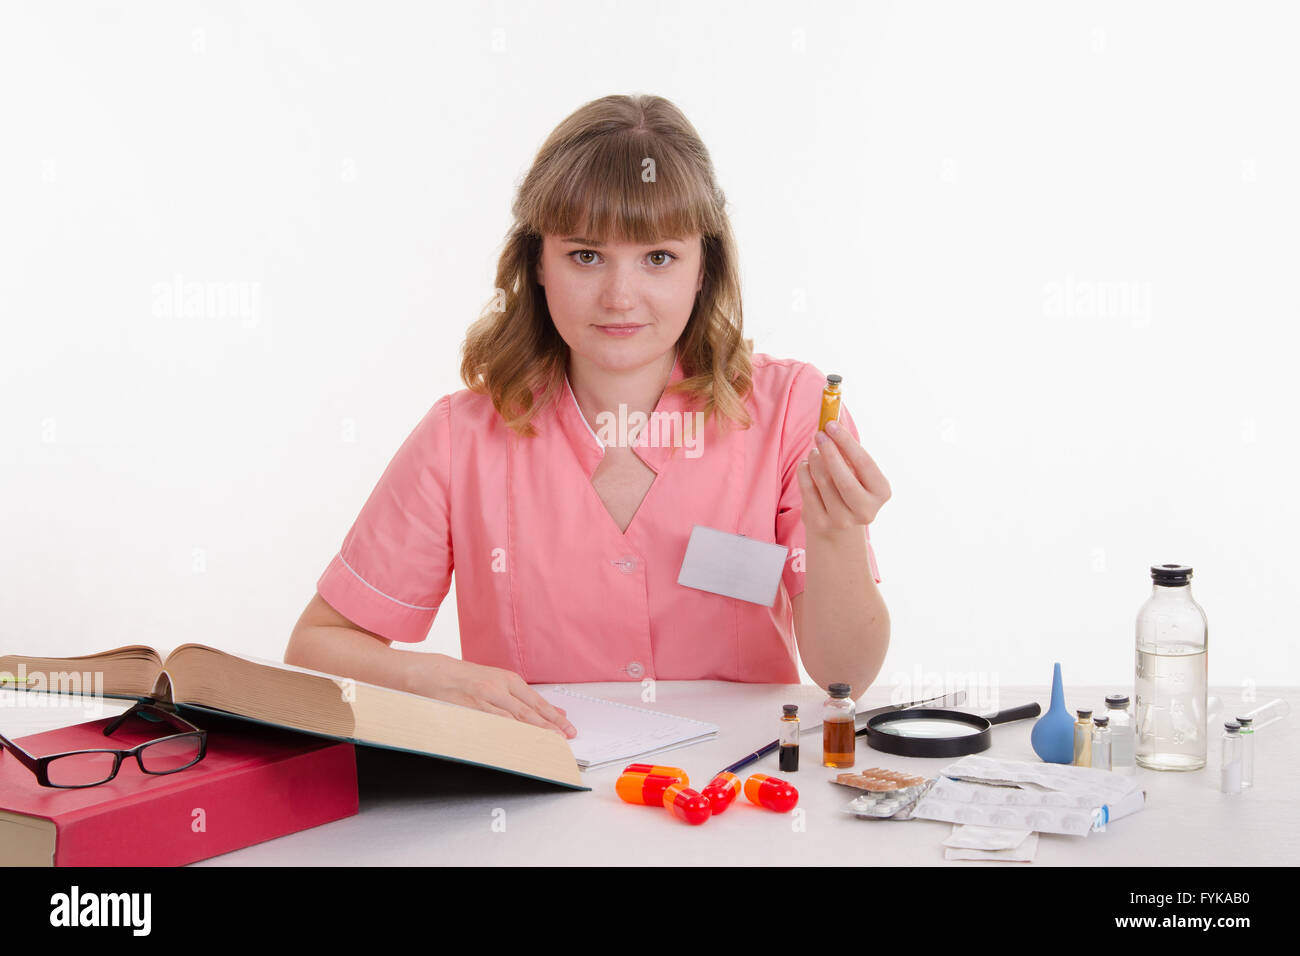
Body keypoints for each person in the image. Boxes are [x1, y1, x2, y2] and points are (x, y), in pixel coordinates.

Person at [284, 94, 891, 739]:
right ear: (537, 264)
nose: (620, 297)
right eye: (585, 255)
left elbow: (843, 677)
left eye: (658, 257)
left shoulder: (791, 410)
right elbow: (315, 648)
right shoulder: (460, 439)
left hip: (734, 799)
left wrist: (836, 537)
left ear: (703, 267)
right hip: (535, 805)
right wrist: (433, 679)